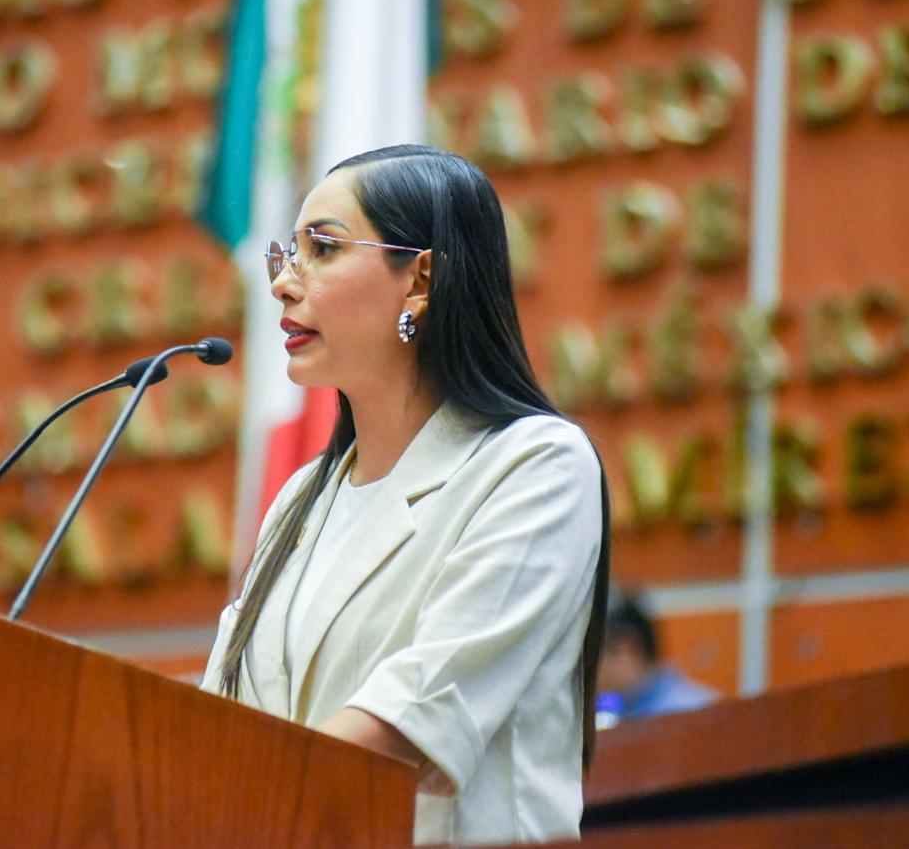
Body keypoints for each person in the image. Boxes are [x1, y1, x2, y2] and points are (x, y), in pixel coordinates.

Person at [200, 144, 611, 846]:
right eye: (288, 254)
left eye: (323, 248)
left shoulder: (535, 465)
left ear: (420, 278)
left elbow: (416, 719)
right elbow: (220, 719)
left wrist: (247, 797)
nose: (284, 284)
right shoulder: (302, 498)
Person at [597, 592, 717, 721]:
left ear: (627, 649)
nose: (586, 669)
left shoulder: (691, 715)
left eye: (593, 654)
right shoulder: (627, 712)